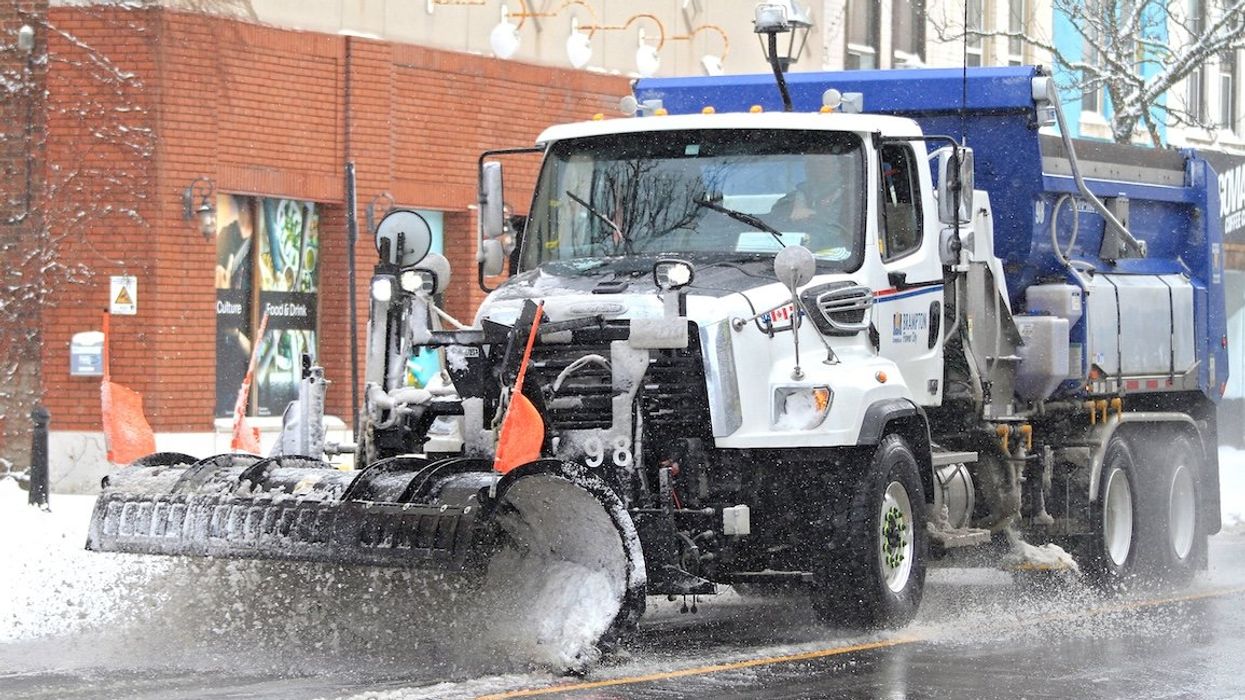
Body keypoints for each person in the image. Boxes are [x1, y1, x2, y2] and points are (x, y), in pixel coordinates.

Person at [768, 157, 852, 255]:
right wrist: (793, 210)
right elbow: (773, 220)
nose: (814, 168)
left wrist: (814, 217)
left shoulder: (851, 196)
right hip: (789, 254)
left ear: (837, 166)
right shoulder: (795, 196)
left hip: (836, 259)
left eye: (822, 163)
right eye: (810, 164)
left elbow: (847, 235)